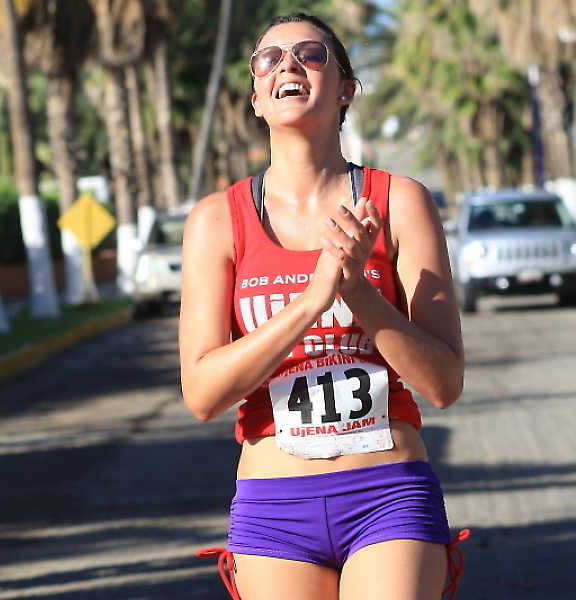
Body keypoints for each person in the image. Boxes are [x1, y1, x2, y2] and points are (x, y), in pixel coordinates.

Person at [179, 11, 468, 600]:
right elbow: (203, 394)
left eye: (311, 55)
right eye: (269, 59)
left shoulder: (399, 202)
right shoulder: (216, 221)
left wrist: (358, 292)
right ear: (256, 99)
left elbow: (443, 384)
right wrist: (312, 300)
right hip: (273, 509)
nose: (288, 65)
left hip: (388, 494)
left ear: (346, 90)